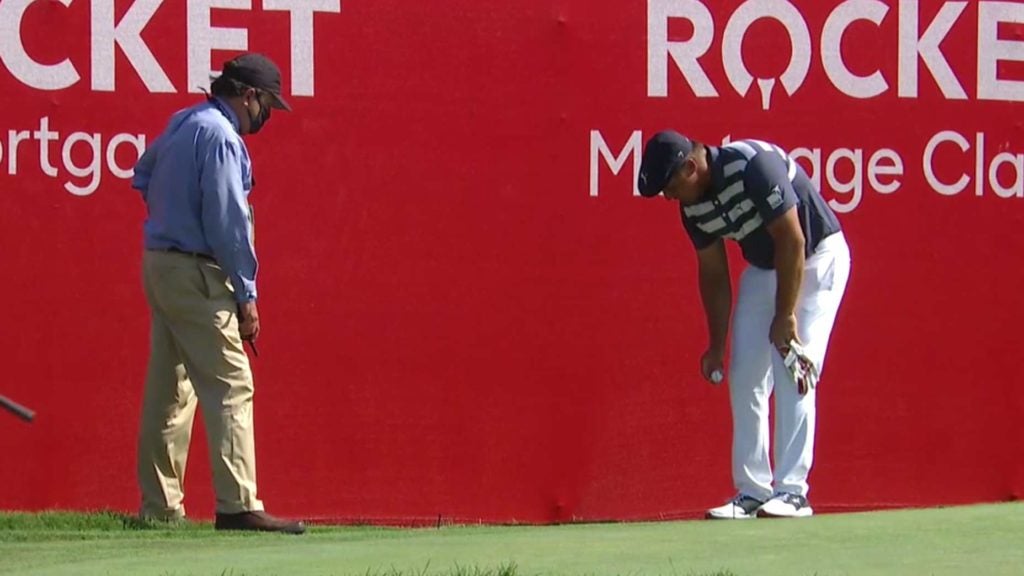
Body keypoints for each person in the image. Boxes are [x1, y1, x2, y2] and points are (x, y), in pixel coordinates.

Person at [131, 53, 304, 534]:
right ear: (247, 95)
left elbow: (141, 176)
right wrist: (246, 294)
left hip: (160, 265)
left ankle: (160, 508)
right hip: (196, 271)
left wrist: (174, 217)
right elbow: (228, 223)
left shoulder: (184, 120)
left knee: (170, 388)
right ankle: (237, 504)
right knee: (231, 383)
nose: (267, 113)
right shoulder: (223, 138)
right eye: (267, 102)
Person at [638, 131, 851, 519]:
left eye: (670, 186)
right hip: (766, 267)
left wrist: (786, 317)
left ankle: (792, 492)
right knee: (745, 374)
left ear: (691, 167)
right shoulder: (691, 209)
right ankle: (752, 491)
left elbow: (792, 241)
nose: (669, 198)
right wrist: (716, 344)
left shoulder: (754, 164)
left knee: (793, 366)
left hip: (816, 258)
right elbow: (714, 273)